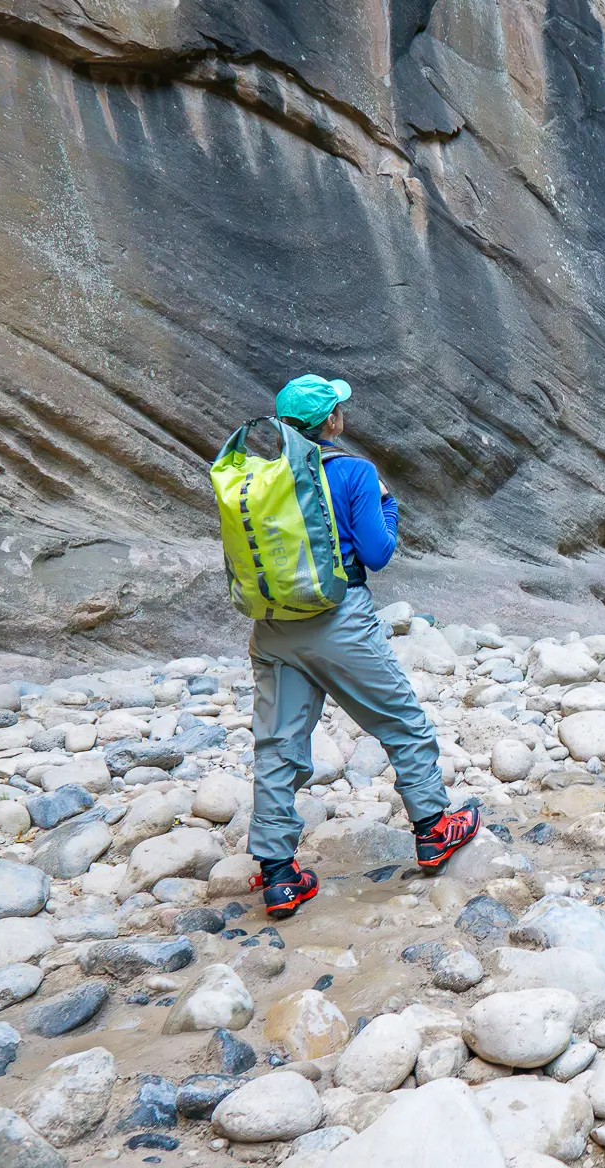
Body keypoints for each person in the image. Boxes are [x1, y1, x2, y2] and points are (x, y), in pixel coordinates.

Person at [246, 374, 480, 917]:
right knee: (402, 721)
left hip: (274, 626)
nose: (342, 416)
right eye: (338, 410)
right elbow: (377, 553)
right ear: (331, 421)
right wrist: (389, 504)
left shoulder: (257, 479)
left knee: (278, 746)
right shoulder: (353, 472)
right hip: (339, 619)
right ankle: (433, 829)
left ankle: (279, 876)